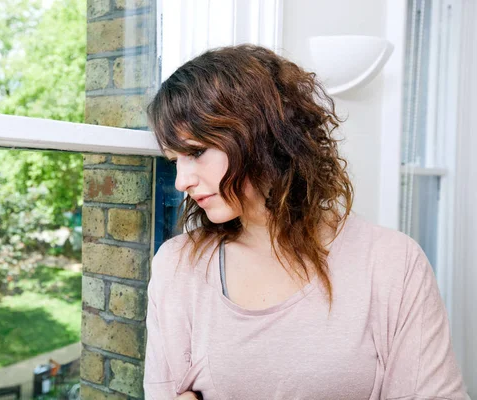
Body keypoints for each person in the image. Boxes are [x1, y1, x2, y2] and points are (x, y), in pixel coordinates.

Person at [143, 44, 469, 400]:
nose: (181, 181)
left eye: (196, 152)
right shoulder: (177, 267)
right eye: (175, 159)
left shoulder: (394, 264)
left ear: (261, 135)